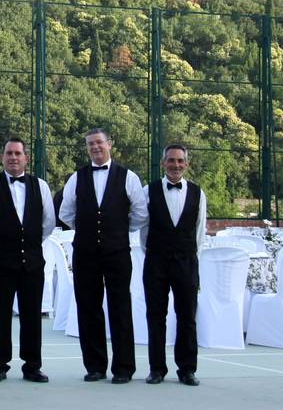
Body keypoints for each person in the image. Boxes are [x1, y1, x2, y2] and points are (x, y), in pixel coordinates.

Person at [58, 128, 147, 384]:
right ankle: (95, 366)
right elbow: (66, 212)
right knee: (88, 309)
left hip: (117, 251)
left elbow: (141, 214)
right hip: (85, 252)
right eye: (90, 144)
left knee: (120, 307)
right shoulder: (77, 177)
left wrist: (118, 229)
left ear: (110, 144)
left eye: (99, 143)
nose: (95, 147)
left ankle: (124, 368)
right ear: (87, 148)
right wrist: (86, 229)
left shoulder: (128, 177)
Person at [0, 137, 55, 383]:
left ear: (26, 158)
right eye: (9, 153)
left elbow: (47, 224)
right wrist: (1, 244)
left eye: (18, 153)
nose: (13, 157)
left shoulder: (41, 186)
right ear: (2, 158)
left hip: (32, 262)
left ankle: (32, 366)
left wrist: (27, 241)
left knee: (31, 315)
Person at [140, 144, 206, 387]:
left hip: (186, 261)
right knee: (156, 315)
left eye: (180, 161)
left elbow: (200, 230)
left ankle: (187, 369)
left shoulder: (198, 193)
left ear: (186, 164)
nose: (175, 165)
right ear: (163, 163)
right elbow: (144, 230)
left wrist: (186, 252)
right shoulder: (149, 191)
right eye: (171, 160)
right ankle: (156, 369)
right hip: (156, 261)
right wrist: (157, 251)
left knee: (187, 316)